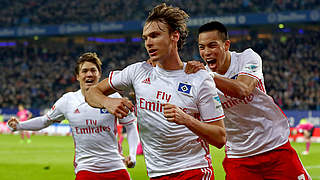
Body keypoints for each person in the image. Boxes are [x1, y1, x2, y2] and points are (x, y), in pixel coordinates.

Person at [85, 3, 226, 180]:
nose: (148, 43)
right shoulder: (138, 71)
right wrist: (107, 102)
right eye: (145, 38)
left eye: (155, 35)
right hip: (156, 174)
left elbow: (220, 138)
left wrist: (186, 119)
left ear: (174, 36)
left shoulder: (199, 78)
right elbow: (91, 93)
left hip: (193, 170)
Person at [185, 21, 311, 179]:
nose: (206, 52)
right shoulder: (201, 80)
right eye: (202, 47)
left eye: (212, 45)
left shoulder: (247, 58)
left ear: (226, 45)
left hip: (274, 146)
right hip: (239, 156)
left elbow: (243, 90)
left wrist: (209, 76)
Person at [7, 52, 139, 180]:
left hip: (115, 166)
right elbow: (44, 121)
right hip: (86, 169)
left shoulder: (113, 97)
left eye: (93, 70)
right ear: (77, 76)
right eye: (84, 71)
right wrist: (19, 126)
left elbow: (131, 125)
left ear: (99, 74)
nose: (89, 74)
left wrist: (132, 155)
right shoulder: (68, 100)